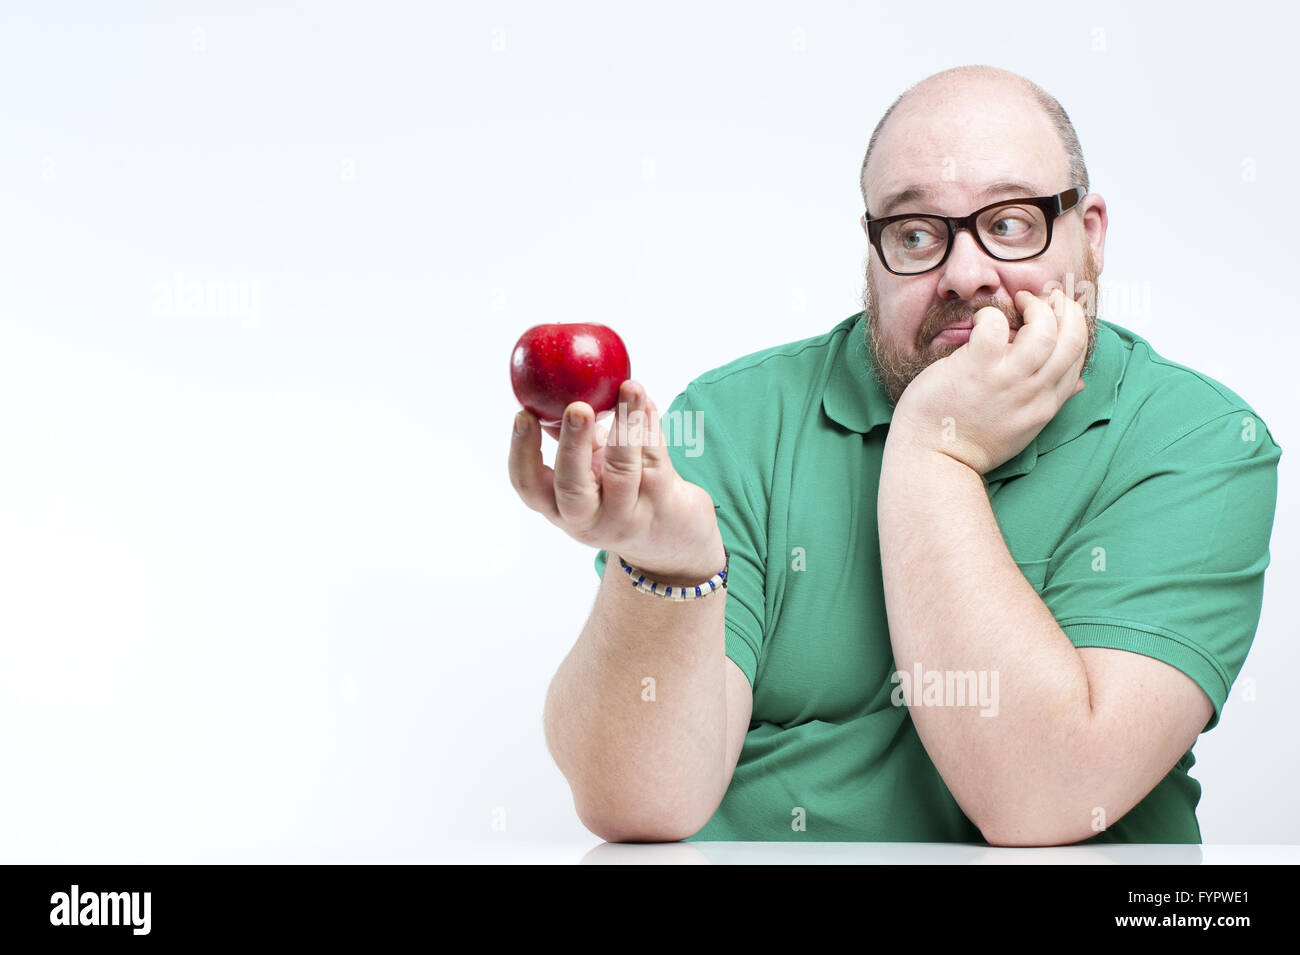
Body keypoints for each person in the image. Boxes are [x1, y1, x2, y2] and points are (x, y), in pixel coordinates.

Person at [507, 64, 1282, 845]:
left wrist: (934, 454)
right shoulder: (731, 420)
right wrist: (668, 574)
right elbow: (638, 804)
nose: (966, 274)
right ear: (872, 255)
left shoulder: (1200, 442)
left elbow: (1044, 798)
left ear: (1091, 234)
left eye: (1011, 223)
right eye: (916, 234)